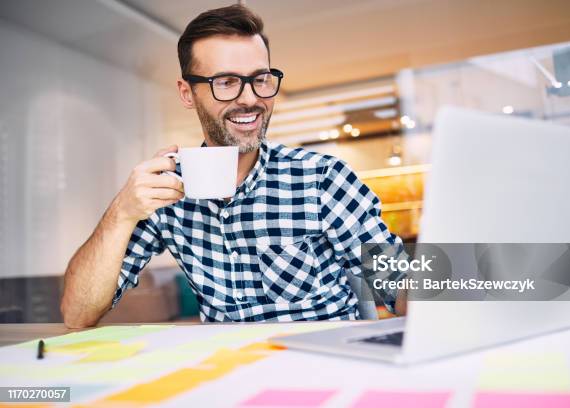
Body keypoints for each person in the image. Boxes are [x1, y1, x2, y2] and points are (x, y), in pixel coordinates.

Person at [61, 4, 405, 327]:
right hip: (227, 378)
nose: (251, 98)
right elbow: (77, 315)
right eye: (226, 82)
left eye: (261, 78)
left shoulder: (321, 178)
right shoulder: (164, 193)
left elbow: (403, 284)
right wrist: (122, 211)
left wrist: (450, 266)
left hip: (321, 371)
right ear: (187, 93)